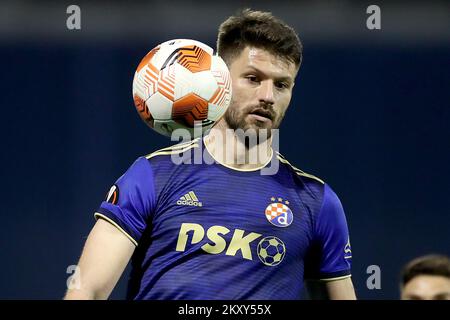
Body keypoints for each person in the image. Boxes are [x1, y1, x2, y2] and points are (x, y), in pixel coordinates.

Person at [65, 9, 356, 300]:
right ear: (220, 82)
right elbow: (86, 290)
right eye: (253, 79)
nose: (268, 96)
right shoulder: (152, 177)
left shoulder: (317, 202)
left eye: (281, 84)